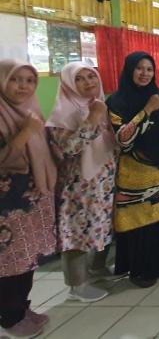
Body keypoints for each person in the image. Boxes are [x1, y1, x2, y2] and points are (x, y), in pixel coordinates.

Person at [46, 61, 118, 303]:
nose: (88, 82)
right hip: (77, 186)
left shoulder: (101, 104)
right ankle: (77, 285)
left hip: (102, 182)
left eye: (91, 76)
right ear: (68, 83)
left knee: (100, 227)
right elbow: (69, 147)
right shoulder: (62, 114)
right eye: (79, 78)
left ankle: (97, 268)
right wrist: (92, 118)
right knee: (76, 233)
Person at [106, 52, 159, 288]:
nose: (145, 74)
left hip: (158, 169)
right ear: (129, 70)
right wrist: (147, 110)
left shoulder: (157, 95)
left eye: (149, 69)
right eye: (139, 68)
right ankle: (139, 270)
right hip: (133, 173)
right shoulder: (116, 101)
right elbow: (124, 140)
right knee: (138, 223)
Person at [0, 60, 57, 337]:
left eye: (29, 80)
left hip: (31, 200)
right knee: (9, 262)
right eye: (15, 79)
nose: (23, 86)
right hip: (7, 206)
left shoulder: (29, 110)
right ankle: (9, 318)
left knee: (27, 258)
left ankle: (22, 308)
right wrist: (25, 133)